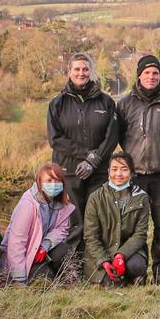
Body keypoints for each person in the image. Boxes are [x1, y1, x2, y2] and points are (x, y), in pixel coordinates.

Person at [115, 54, 160, 284]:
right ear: (139, 75)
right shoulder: (125, 103)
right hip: (134, 176)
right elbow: (120, 135)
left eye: (156, 73)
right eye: (147, 72)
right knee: (131, 225)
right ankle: (135, 271)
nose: (151, 77)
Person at [46, 53, 119, 243]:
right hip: (69, 172)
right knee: (73, 221)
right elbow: (55, 139)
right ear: (69, 71)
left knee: (98, 219)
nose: (81, 73)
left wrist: (94, 160)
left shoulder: (106, 101)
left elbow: (112, 137)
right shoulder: (57, 103)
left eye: (85, 69)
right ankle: (74, 267)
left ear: (91, 72)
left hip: (99, 171)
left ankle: (96, 264)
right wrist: (87, 155)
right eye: (77, 69)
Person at [0, 163, 78, 284]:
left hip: (41, 251)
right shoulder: (28, 205)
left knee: (64, 250)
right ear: (39, 182)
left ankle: (70, 282)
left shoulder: (60, 202)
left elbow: (62, 229)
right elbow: (16, 243)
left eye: (57, 181)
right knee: (45, 279)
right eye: (49, 180)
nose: (53, 185)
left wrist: (45, 246)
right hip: (23, 257)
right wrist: (19, 279)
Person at [83, 152, 151, 286]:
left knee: (137, 266)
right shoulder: (95, 198)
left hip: (129, 251)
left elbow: (140, 234)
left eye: (124, 169)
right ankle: (121, 278)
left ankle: (134, 276)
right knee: (110, 283)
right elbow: (90, 236)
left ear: (131, 173)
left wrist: (121, 255)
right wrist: (104, 261)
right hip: (103, 251)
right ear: (108, 172)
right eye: (114, 169)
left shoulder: (141, 197)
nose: (118, 174)